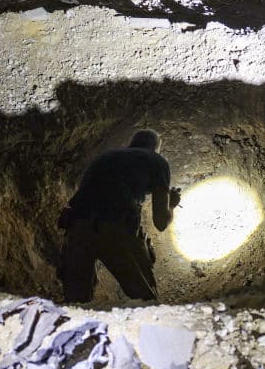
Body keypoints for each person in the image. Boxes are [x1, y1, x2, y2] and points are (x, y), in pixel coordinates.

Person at [56, 129, 181, 303]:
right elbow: (160, 222)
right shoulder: (156, 161)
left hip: (77, 228)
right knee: (145, 302)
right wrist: (172, 205)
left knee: (76, 303)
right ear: (155, 148)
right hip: (116, 228)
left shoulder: (104, 157)